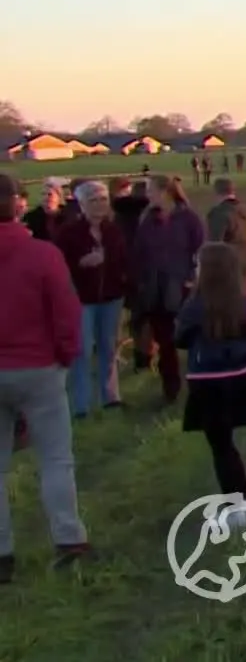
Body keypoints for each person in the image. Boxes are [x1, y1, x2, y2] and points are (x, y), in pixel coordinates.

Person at [0, 172, 90, 582]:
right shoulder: (42, 255)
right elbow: (66, 312)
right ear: (17, 205)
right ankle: (68, 539)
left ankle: (3, 553)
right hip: (38, 366)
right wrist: (66, 355)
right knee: (55, 458)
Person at [175, 242, 246, 514]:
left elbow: (180, 339)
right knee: (226, 443)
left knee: (221, 447)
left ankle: (238, 504)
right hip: (237, 379)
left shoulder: (195, 305)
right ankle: (241, 499)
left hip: (207, 382)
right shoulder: (244, 301)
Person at [53, 181, 131, 416]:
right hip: (82, 299)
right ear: (82, 205)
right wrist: (80, 265)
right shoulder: (68, 233)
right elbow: (57, 266)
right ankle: (81, 404)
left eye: (103, 200)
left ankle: (111, 397)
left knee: (109, 347)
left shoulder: (114, 230)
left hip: (112, 296)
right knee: (83, 350)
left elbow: (124, 259)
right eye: (93, 201)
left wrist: (123, 278)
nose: (99, 205)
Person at [130, 175, 205, 405]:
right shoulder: (147, 221)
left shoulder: (188, 219)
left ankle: (201, 386)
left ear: (166, 192)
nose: (148, 195)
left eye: (151, 190)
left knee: (194, 338)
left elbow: (200, 249)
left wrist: (193, 278)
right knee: (165, 342)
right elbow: (139, 253)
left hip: (182, 288)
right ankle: (170, 389)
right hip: (155, 290)